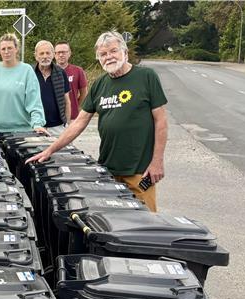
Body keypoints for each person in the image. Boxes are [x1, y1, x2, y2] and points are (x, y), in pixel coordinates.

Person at [26, 31, 168, 212]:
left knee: (145, 225)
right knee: (117, 223)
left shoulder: (146, 77)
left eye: (113, 51)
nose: (109, 57)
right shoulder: (100, 84)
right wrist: (50, 150)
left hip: (139, 171)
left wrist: (157, 162)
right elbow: (79, 122)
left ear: (124, 52)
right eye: (103, 54)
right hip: (108, 170)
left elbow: (161, 121)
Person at [0, 33, 46, 135]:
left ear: (16, 49)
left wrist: (37, 124)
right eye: (3, 49)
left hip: (21, 132)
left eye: (10, 48)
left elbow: (35, 102)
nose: (6, 52)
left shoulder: (26, 71)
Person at [34, 40, 71, 134]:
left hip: (57, 127)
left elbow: (67, 101)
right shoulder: (30, 73)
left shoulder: (61, 73)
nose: (45, 56)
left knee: (62, 149)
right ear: (36, 56)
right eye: (41, 53)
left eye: (48, 53)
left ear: (53, 55)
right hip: (36, 126)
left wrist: (67, 125)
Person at [55, 41, 88, 121]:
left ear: (69, 53)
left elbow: (84, 92)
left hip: (72, 118)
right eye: (58, 52)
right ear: (54, 54)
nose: (61, 55)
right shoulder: (49, 71)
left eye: (64, 52)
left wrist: (76, 106)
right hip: (53, 119)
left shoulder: (78, 71)